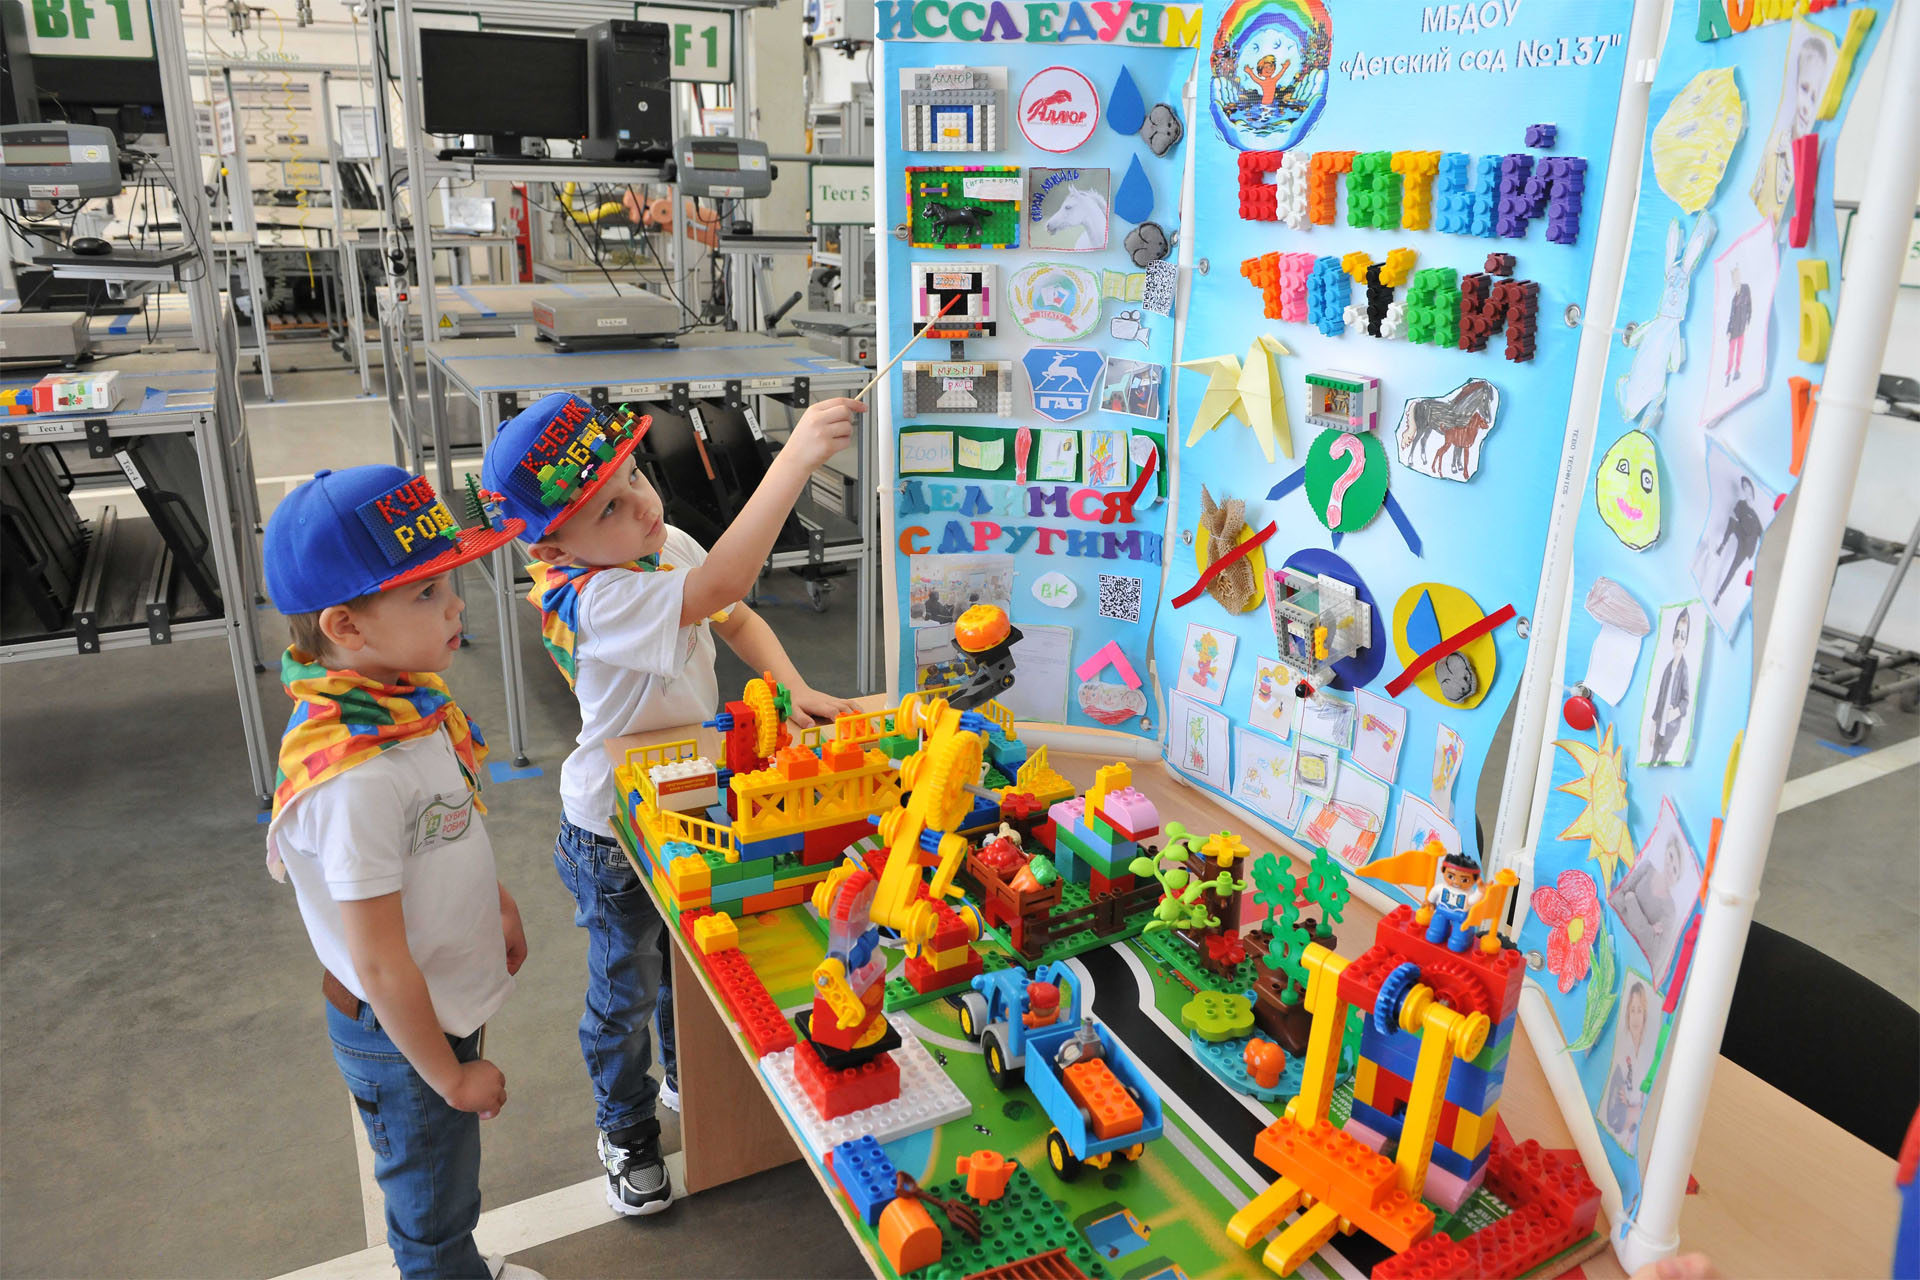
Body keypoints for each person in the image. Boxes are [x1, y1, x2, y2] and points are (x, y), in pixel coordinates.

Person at [480, 392, 863, 1216]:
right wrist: (795, 458)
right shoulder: (593, 596)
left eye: (634, 475)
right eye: (607, 507)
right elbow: (726, 580)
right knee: (625, 992)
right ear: (552, 546)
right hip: (612, 829)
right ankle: (624, 1128)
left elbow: (735, 615)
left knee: (689, 961)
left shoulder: (660, 545)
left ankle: (688, 1072)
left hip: (689, 797)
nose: (641, 504)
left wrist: (792, 686)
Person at [262, 466, 537, 1279]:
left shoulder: (404, 706)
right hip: (404, 1034)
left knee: (446, 1183)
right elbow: (379, 962)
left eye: (448, 585)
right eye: (426, 593)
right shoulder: (355, 776)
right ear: (346, 625)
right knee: (431, 1205)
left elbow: (443, 829)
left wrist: (495, 903)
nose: (456, 606)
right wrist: (449, 1077)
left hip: (430, 1002)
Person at [1648, 609, 1693, 765]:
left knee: (1662, 761)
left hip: (1671, 729)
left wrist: (1677, 711)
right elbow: (1660, 698)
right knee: (1652, 759)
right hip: (1660, 725)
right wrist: (1653, 723)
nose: (1679, 640)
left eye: (1683, 636)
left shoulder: (1684, 669)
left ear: (1686, 641)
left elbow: (1686, 700)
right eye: (1677, 634)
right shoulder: (1668, 668)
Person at [1713, 475, 1765, 604]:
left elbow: (1762, 536)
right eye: (1744, 487)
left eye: (1747, 486)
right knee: (1732, 521)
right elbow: (1734, 518)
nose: (1746, 489)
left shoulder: (1756, 517)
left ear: (1752, 489)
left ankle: (1719, 595)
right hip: (1740, 533)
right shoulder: (1741, 504)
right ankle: (1722, 546)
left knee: (1733, 569)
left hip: (1746, 546)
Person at [1420, 851, 1484, 952]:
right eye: (1451, 876)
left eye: (1464, 880)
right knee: (1436, 930)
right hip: (1442, 911)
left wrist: (1480, 891)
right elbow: (1434, 892)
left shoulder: (1468, 894)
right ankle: (1437, 933)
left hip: (1461, 916)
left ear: (1474, 880)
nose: (1456, 882)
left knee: (1459, 937)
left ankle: (1459, 940)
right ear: (1443, 870)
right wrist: (1429, 901)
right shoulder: (1441, 887)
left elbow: (1473, 900)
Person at [1723, 264, 1752, 386]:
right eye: (1734, 279)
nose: (1736, 281)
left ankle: (1736, 371)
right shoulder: (1734, 299)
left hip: (1741, 328)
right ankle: (1728, 373)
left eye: (1737, 277)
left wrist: (1748, 321)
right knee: (1731, 352)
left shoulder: (1746, 288)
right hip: (1734, 329)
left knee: (1739, 351)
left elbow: (1749, 306)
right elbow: (1731, 316)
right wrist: (1728, 331)